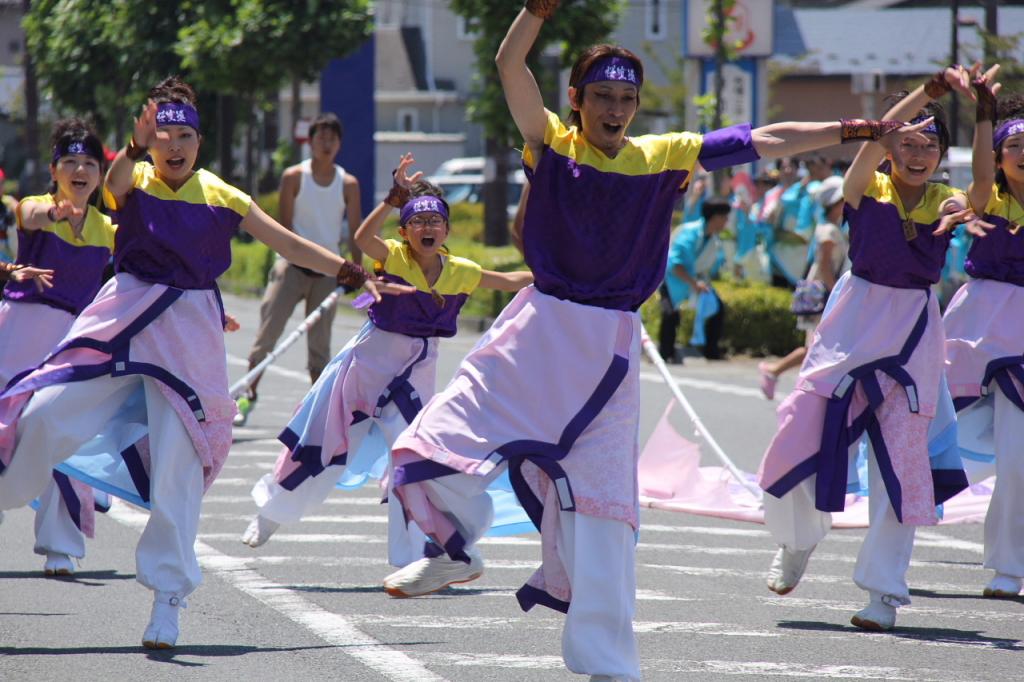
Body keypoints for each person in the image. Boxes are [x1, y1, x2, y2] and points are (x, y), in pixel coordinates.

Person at [380, 3, 923, 679]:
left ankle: (611, 664)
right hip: (537, 329)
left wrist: (854, 127)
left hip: (609, 345)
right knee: (436, 440)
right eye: (602, 96)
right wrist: (533, 12)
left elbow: (763, 137)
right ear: (575, 101)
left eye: (628, 98)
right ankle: (454, 545)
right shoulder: (551, 142)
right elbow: (509, 65)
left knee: (606, 505)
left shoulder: (661, 156)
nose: (616, 108)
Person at [0, 76, 410, 650]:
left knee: (177, 467)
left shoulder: (222, 195)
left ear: (200, 142)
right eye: (163, 133)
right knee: (42, 413)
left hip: (187, 334)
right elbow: (115, 183)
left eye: (184, 135)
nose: (173, 144)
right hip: (124, 317)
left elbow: (286, 243)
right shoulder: (136, 175)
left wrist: (351, 271)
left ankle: (167, 601)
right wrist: (133, 145)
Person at [757, 65, 991, 632]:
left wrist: (983, 113)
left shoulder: (944, 199)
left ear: (941, 154)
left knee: (901, 466)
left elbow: (981, 191)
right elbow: (875, 138)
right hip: (851, 324)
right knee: (802, 438)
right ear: (888, 147)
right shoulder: (866, 186)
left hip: (912, 335)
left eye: (929, 144)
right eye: (906, 142)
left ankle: (883, 592)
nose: (917, 153)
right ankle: (797, 542)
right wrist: (926, 94)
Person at [241, 156, 533, 567]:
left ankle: (414, 555)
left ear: (447, 231)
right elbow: (362, 238)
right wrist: (392, 199)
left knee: (413, 461)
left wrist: (560, 275)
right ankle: (270, 513)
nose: (427, 229)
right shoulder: (394, 257)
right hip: (366, 367)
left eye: (435, 223)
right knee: (317, 445)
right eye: (417, 222)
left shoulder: (461, 272)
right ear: (403, 231)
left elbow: (511, 281)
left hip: (414, 378)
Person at [0, 119, 116, 576]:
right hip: (18, 335)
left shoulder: (109, 229)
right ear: (54, 170)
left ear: (100, 175)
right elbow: (29, 216)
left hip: (70, 345)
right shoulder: (36, 206)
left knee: (63, 440)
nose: (80, 169)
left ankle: (59, 545)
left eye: (89, 162)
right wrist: (56, 214)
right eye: (70, 161)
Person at [942, 71, 1024, 599]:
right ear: (997, 157)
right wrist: (984, 114)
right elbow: (973, 168)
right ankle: (872, 510)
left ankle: (1008, 568)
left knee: (1017, 456)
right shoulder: (987, 199)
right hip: (974, 327)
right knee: (927, 437)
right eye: (1014, 145)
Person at [235, 112, 363, 426]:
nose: (326, 144)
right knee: (266, 340)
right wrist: (289, 260)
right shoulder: (294, 176)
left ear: (339, 144)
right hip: (291, 268)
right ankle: (246, 397)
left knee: (320, 351)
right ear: (310, 141)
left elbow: (356, 229)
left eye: (332, 138)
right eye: (321, 137)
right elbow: (285, 228)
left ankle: (319, 414)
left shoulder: (348, 183)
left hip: (328, 273)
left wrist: (356, 270)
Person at [758, 175, 849, 399]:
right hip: (823, 292)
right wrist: (836, 294)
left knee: (818, 345)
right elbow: (826, 265)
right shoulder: (828, 230)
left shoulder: (829, 227)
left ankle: (779, 373)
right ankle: (775, 371)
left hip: (821, 290)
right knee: (816, 346)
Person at [659, 197, 729, 362]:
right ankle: (665, 354)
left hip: (692, 282)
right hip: (671, 281)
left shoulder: (713, 238)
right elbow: (675, 264)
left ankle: (711, 351)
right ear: (716, 217)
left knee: (718, 308)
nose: (727, 221)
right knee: (670, 315)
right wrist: (694, 284)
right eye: (725, 217)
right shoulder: (690, 232)